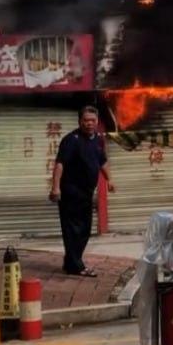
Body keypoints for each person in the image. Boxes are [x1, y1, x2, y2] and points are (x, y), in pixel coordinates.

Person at [49, 106, 115, 277]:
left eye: (93, 120)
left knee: (84, 229)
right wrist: (55, 187)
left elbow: (103, 161)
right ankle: (77, 266)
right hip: (70, 191)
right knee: (72, 230)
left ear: (97, 121)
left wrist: (110, 180)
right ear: (80, 121)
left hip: (86, 192)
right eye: (86, 120)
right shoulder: (71, 140)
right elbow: (60, 164)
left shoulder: (98, 139)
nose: (89, 123)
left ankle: (70, 262)